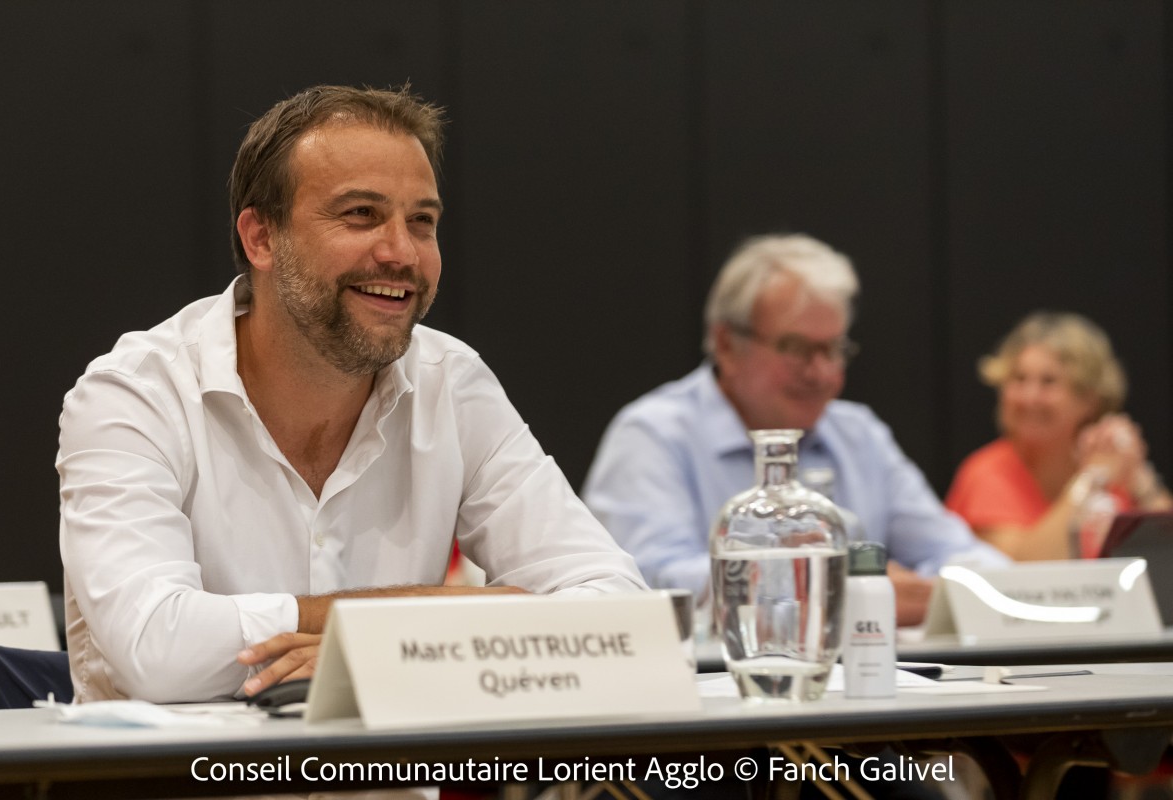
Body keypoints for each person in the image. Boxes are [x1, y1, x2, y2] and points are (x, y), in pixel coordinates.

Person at [57, 85, 646, 704]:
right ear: (260, 238)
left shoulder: (452, 380)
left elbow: (615, 605)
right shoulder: (132, 396)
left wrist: (371, 647)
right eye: (360, 214)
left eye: (422, 221)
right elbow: (158, 650)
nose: (400, 253)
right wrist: (423, 623)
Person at [583, 234, 1008, 627]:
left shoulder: (858, 434)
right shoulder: (653, 434)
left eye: (834, 349)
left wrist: (942, 592)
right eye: (798, 349)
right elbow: (653, 583)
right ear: (728, 345)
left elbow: (962, 555)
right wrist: (833, 589)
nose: (821, 373)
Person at [946, 311, 1172, 560]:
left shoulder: (1108, 464)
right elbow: (1024, 569)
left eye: (1048, 382)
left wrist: (1140, 480)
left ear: (1088, 397)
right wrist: (1091, 480)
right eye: (1018, 379)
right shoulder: (986, 472)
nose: (1028, 397)